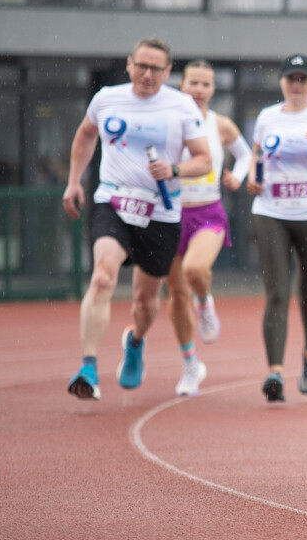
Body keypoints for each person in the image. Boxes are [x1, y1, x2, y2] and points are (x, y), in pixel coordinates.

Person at [62, 38, 211, 401]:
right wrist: (73, 182)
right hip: (111, 202)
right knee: (102, 276)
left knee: (145, 304)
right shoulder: (106, 98)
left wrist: (174, 168)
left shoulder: (181, 106)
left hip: (160, 213)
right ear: (128, 64)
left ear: (168, 72)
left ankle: (136, 340)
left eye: (156, 68)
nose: (147, 74)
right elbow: (85, 135)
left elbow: (204, 160)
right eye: (140, 66)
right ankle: (89, 368)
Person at [246, 54, 307, 403]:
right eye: (290, 78)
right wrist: (254, 178)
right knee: (277, 291)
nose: (296, 84)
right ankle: (275, 374)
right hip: (271, 211)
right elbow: (256, 156)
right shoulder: (267, 117)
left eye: (303, 78)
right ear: (282, 82)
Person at [166, 60, 252, 397]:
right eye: (193, 83)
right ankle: (190, 366)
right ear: (182, 86)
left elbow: (245, 156)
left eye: (205, 84)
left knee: (195, 269)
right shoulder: (170, 122)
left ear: (213, 89)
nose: (199, 90)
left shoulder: (221, 125)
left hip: (208, 212)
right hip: (170, 214)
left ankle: (204, 303)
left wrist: (236, 176)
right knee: (175, 294)